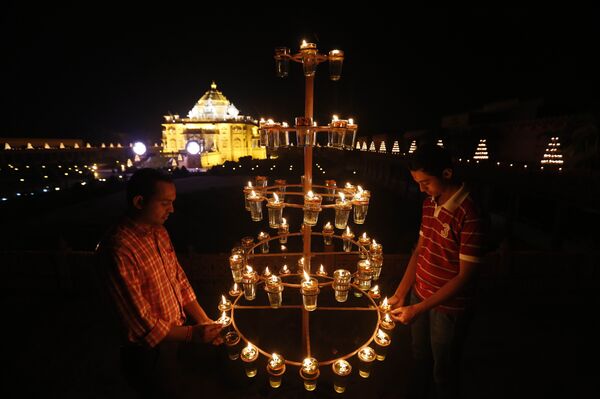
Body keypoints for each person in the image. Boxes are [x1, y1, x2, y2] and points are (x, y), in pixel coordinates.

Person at [95, 168, 223, 398]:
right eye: (165, 203)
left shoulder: (159, 232)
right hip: (148, 351)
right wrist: (192, 335)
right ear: (140, 201)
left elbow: (179, 280)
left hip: (177, 335)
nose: (172, 210)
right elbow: (141, 323)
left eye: (172, 202)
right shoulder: (119, 249)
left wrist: (203, 320)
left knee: (179, 383)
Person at [388, 144, 486, 399]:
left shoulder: (469, 214)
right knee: (420, 356)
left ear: (446, 173)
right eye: (417, 183)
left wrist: (418, 309)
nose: (421, 189)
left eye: (426, 182)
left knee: (444, 368)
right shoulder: (429, 204)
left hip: (448, 309)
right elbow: (419, 251)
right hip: (419, 294)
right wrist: (401, 293)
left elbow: (465, 276)